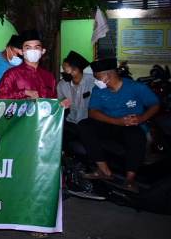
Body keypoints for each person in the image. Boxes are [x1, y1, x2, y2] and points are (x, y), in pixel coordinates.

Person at [79, 58, 160, 193]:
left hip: (131, 126)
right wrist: (117, 121)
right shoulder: (99, 90)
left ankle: (130, 179)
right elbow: (93, 112)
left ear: (108, 75)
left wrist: (141, 118)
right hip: (111, 123)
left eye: (97, 77)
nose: (96, 81)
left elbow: (155, 104)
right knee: (84, 125)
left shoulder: (136, 88)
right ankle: (103, 170)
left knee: (136, 136)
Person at [0, 30, 56, 99]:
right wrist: (24, 93)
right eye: (28, 48)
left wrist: (61, 103)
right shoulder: (12, 74)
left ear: (43, 51)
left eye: (37, 47)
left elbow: (54, 101)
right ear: (21, 52)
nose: (33, 50)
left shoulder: (49, 76)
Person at [56, 51, 95, 144]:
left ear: (75, 70)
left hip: (88, 122)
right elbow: (60, 104)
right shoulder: (62, 84)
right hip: (70, 122)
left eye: (65, 69)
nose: (63, 72)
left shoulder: (92, 82)